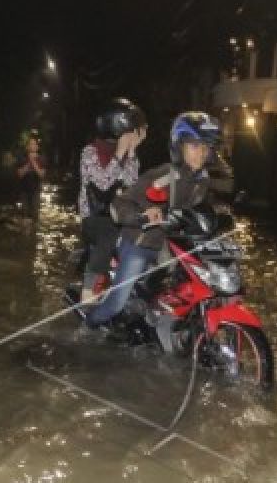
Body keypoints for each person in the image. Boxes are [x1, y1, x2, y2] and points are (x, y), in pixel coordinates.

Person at [85, 111, 222, 328]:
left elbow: (198, 211)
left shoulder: (201, 181)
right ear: (180, 147)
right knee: (117, 304)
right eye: (194, 147)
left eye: (205, 148)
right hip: (142, 243)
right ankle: (90, 323)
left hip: (173, 248)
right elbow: (118, 205)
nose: (201, 154)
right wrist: (141, 216)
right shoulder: (165, 175)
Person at [77, 98, 146, 302]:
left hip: (120, 214)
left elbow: (132, 184)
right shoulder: (89, 152)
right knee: (108, 231)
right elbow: (102, 183)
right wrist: (119, 153)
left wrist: (131, 152)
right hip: (95, 217)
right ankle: (88, 292)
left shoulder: (129, 156)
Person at [15, 130, 46, 215]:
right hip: (24, 191)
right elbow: (20, 174)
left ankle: (34, 227)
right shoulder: (21, 158)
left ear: (37, 147)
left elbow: (41, 175)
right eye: (30, 144)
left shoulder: (42, 159)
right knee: (25, 216)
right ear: (27, 147)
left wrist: (33, 162)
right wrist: (29, 162)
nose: (32, 146)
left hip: (36, 191)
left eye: (34, 144)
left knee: (35, 216)